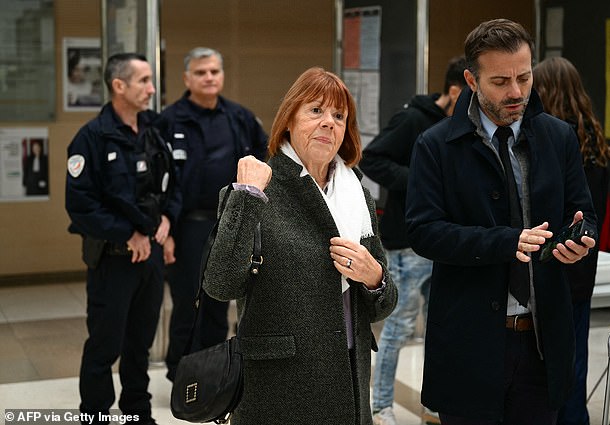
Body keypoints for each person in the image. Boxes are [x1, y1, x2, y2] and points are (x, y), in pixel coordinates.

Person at [405, 19, 597, 425]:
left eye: (524, 77)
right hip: (469, 344)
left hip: (541, 345)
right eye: (501, 81)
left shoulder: (558, 137)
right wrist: (506, 241)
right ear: (472, 81)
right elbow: (423, 231)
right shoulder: (436, 145)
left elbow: (584, 213)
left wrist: (580, 239)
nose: (516, 92)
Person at [202, 66, 398, 424]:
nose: (329, 123)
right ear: (289, 119)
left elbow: (383, 306)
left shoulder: (358, 196)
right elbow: (220, 285)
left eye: (339, 116)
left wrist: (375, 278)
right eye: (316, 111)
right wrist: (246, 196)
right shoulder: (257, 188)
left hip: (350, 383)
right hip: (279, 388)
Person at [65, 53, 181, 425]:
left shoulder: (154, 129)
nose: (151, 89)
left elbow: (173, 183)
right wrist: (128, 233)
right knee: (104, 346)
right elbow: (81, 206)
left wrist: (166, 219)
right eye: (144, 81)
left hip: (149, 257)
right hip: (113, 259)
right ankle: (95, 415)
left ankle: (137, 412)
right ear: (119, 86)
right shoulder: (91, 138)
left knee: (140, 345)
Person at [360, 55, 467, 425]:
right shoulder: (412, 119)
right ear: (455, 90)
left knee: (441, 323)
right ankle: (381, 404)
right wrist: (421, 180)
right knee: (399, 327)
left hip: (443, 241)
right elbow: (371, 158)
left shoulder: (461, 125)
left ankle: (434, 402)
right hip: (407, 242)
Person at [158, 47, 268, 382]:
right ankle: (181, 373)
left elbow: (265, 161)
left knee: (221, 298)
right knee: (188, 301)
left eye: (214, 72)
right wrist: (167, 232)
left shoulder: (240, 117)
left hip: (229, 222)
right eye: (201, 72)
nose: (209, 78)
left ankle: (215, 371)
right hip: (187, 226)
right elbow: (159, 181)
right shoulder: (168, 120)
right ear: (187, 78)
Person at [533, 56, 610, 425]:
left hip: (555, 268)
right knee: (574, 372)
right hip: (583, 272)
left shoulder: (553, 142)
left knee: (552, 377)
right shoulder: (594, 141)